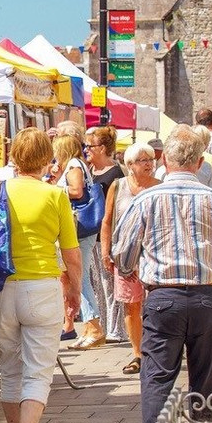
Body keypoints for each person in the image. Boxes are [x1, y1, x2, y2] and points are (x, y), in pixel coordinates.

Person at [113, 124, 212, 423]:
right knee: (205, 374)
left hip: (162, 296)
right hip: (207, 295)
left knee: (157, 375)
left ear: (165, 161)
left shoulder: (146, 199)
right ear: (199, 161)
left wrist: (133, 267)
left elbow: (123, 253)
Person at [0, 128, 82, 423]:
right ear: (48, 158)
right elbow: (72, 253)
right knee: (39, 371)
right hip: (42, 288)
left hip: (2, 291)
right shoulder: (55, 195)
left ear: (14, 156)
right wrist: (74, 291)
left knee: (11, 368)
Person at [100, 143, 161, 376]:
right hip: (125, 255)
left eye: (150, 159)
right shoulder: (118, 186)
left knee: (155, 304)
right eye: (143, 160)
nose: (149, 164)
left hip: (153, 255)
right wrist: (106, 252)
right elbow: (107, 220)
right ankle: (138, 354)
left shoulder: (159, 187)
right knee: (131, 304)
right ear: (130, 165)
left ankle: (156, 349)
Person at [51, 135, 105, 349]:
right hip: (78, 229)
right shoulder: (74, 165)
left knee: (79, 278)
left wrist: (55, 189)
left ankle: (95, 326)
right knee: (76, 277)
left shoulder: (74, 165)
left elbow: (76, 191)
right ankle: (90, 328)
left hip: (79, 227)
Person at [85, 125, 125, 343]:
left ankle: (116, 329)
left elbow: (116, 210)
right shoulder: (91, 172)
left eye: (90, 146)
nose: (87, 150)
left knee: (110, 282)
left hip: (107, 236)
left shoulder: (115, 174)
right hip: (91, 235)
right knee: (97, 283)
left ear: (101, 148)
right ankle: (103, 325)